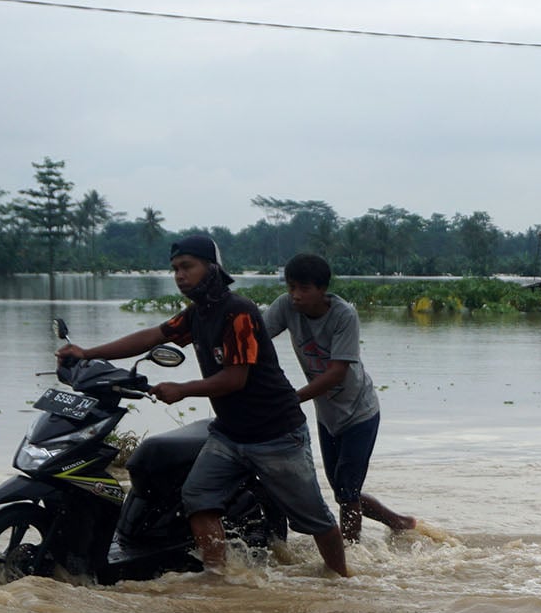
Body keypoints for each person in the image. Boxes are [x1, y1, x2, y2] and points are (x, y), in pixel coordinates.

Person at [56, 234, 350, 577]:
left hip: (275, 433)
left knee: (313, 517)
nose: (180, 276)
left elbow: (234, 379)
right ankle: (220, 578)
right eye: (175, 269)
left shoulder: (238, 312)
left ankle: (341, 580)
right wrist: (87, 353)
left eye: (187, 267)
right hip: (229, 433)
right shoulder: (198, 314)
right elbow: (153, 336)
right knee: (197, 498)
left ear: (212, 268)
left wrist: (183, 389)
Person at [261, 253, 415, 543]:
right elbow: (254, 339)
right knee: (343, 491)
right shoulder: (285, 307)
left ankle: (349, 554)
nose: (295, 296)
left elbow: (336, 373)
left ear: (322, 289)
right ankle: (399, 522)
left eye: (304, 289)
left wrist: (289, 399)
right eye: (292, 287)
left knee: (346, 490)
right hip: (327, 414)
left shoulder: (343, 315)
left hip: (359, 412)